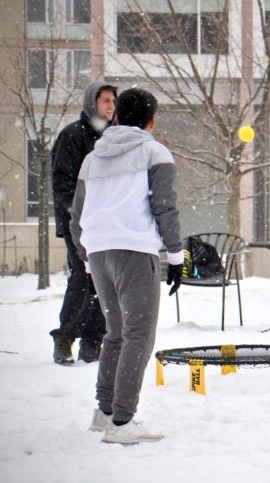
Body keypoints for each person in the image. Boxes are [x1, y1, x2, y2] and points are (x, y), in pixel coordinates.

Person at [70, 87, 183, 444]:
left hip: (99, 251)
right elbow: (165, 207)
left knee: (116, 333)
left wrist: (87, 254)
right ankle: (122, 422)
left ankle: (104, 414)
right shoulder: (155, 152)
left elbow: (76, 217)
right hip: (135, 250)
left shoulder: (93, 157)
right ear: (151, 121)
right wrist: (177, 255)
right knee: (138, 335)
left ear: (116, 116)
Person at [50, 80, 117, 365]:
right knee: (82, 278)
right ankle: (65, 338)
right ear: (92, 103)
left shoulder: (114, 137)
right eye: (105, 101)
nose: (110, 107)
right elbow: (61, 182)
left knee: (104, 282)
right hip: (78, 223)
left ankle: (93, 341)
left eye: (113, 102)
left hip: (107, 223)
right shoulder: (73, 136)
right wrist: (77, 214)